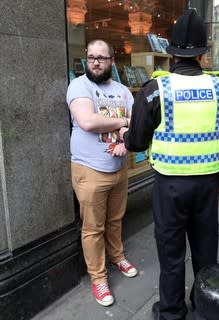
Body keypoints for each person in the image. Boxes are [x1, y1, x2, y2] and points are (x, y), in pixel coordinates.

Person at [121, 9, 219, 320]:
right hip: (208, 183)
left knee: (171, 254)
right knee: (205, 249)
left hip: (169, 185)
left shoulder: (154, 90)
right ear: (203, 52)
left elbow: (136, 143)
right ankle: (204, 304)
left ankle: (172, 312)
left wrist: (125, 132)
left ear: (171, 52)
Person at [66, 39, 138, 307]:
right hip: (89, 170)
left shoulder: (122, 90)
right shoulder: (79, 86)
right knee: (93, 228)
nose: (95, 62)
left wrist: (125, 142)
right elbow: (88, 121)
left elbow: (137, 125)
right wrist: (124, 122)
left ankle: (117, 256)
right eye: (91, 57)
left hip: (117, 168)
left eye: (102, 58)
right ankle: (98, 278)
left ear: (111, 61)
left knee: (116, 220)